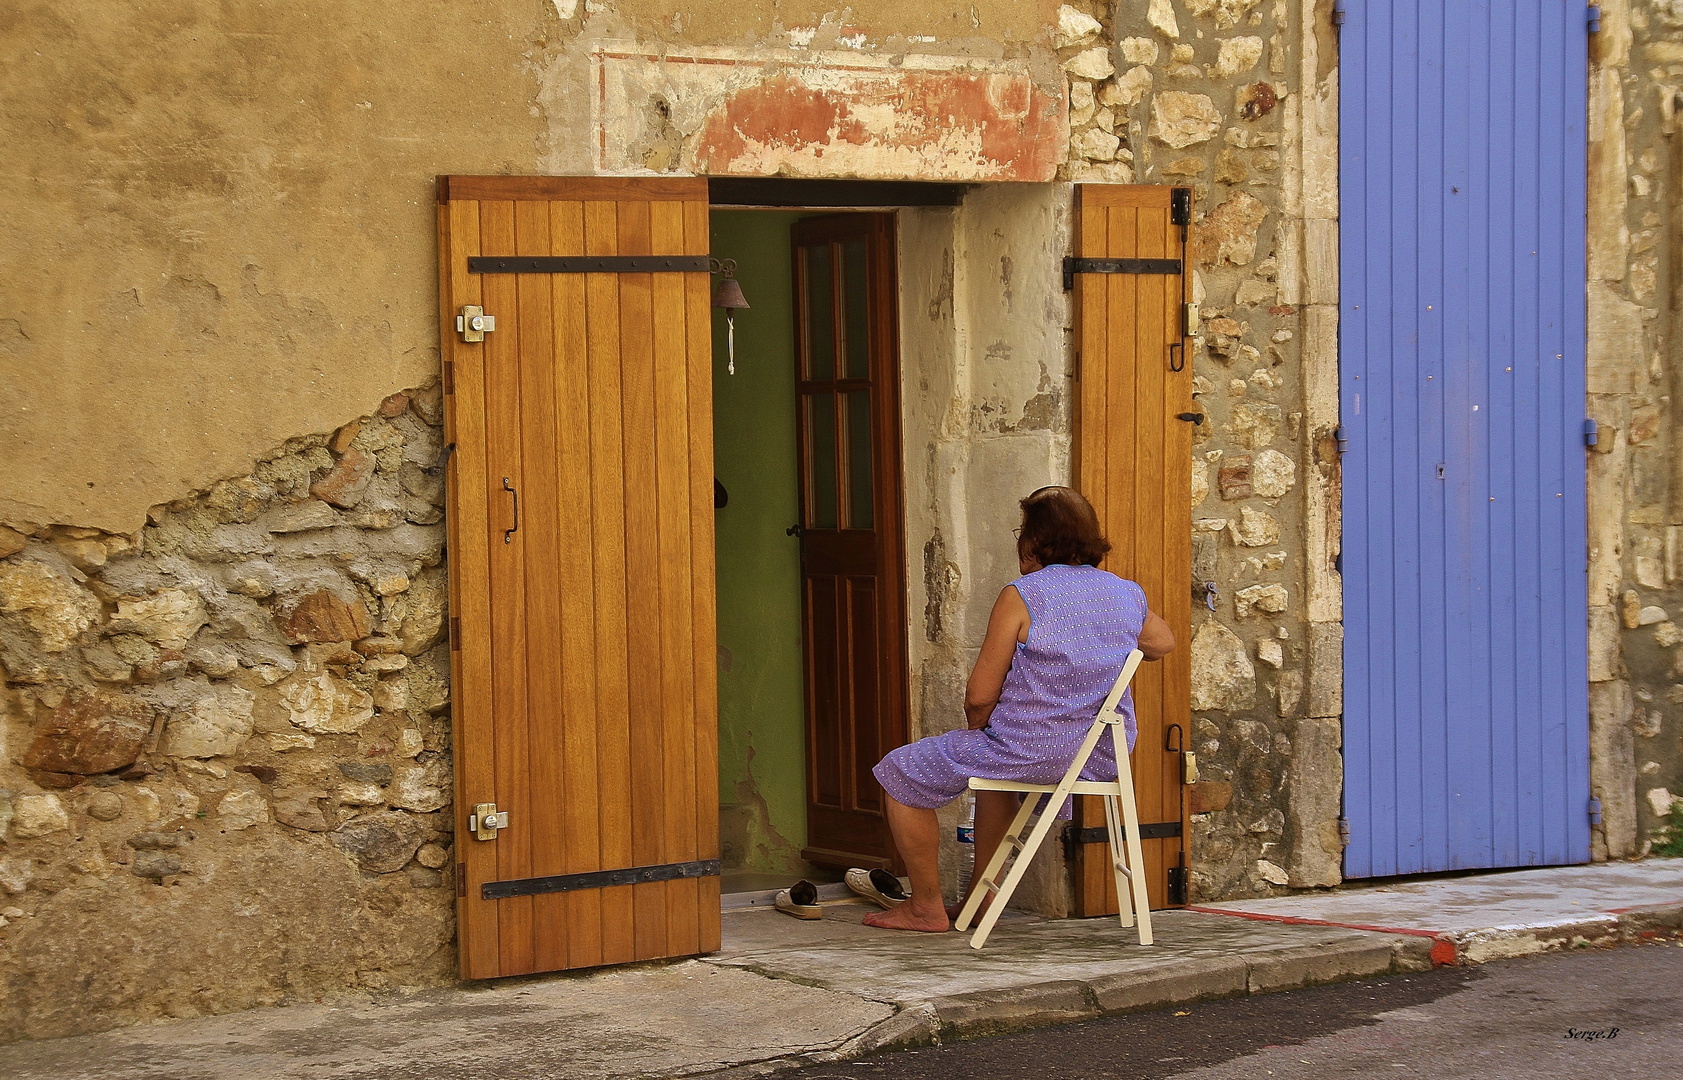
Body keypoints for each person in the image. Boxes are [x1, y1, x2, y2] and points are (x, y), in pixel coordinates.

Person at [864, 486, 1175, 932]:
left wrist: (978, 728)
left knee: (899, 773)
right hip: (1100, 754)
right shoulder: (1126, 594)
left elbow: (979, 695)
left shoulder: (1024, 594)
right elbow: (1161, 643)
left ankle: (924, 906)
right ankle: (981, 899)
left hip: (1029, 750)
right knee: (995, 785)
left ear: (1033, 541)